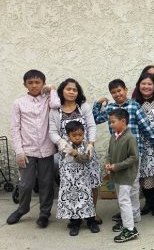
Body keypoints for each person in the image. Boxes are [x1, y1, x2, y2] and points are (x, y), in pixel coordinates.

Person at [92, 79, 154, 225]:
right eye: (113, 92)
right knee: (121, 186)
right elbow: (95, 118)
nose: (117, 94)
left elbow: (146, 128)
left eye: (119, 90)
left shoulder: (134, 106)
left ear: (126, 90)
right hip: (117, 154)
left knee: (132, 186)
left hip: (134, 153)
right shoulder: (110, 109)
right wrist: (98, 103)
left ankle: (133, 217)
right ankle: (129, 215)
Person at [7, 69, 60, 228]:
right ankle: (22, 208)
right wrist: (19, 151)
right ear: (25, 85)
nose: (34, 85)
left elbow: (57, 104)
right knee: (25, 184)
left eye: (38, 82)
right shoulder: (19, 103)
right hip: (27, 151)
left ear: (43, 83)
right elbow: (15, 129)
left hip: (46, 150)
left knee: (46, 183)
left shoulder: (48, 100)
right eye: (30, 83)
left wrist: (52, 89)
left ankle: (44, 213)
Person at [49, 78, 103, 225]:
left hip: (86, 151)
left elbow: (91, 126)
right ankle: (75, 214)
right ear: (62, 91)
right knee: (72, 185)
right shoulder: (55, 110)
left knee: (92, 182)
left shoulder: (83, 106)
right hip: (67, 154)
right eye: (68, 89)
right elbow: (52, 132)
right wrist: (63, 144)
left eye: (75, 90)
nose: (72, 92)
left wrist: (90, 143)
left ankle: (91, 212)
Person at [56, 121, 100, 236]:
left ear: (84, 134)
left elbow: (86, 159)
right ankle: (75, 223)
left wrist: (75, 154)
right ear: (68, 135)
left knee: (86, 200)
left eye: (80, 135)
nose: (77, 138)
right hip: (70, 180)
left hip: (83, 180)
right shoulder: (65, 146)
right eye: (74, 135)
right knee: (72, 202)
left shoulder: (87, 146)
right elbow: (62, 160)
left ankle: (91, 221)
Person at [104, 109, 140, 243]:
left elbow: (134, 157)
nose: (111, 124)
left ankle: (130, 229)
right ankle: (126, 223)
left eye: (113, 122)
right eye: (110, 122)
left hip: (126, 175)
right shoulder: (114, 136)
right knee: (122, 200)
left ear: (123, 121)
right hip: (117, 175)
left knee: (124, 201)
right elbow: (109, 153)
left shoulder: (130, 137)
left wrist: (116, 166)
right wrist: (108, 163)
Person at [134, 73, 154, 216]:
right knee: (144, 174)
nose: (146, 87)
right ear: (139, 86)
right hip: (141, 145)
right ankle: (148, 202)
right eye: (143, 84)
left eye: (149, 84)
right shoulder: (134, 103)